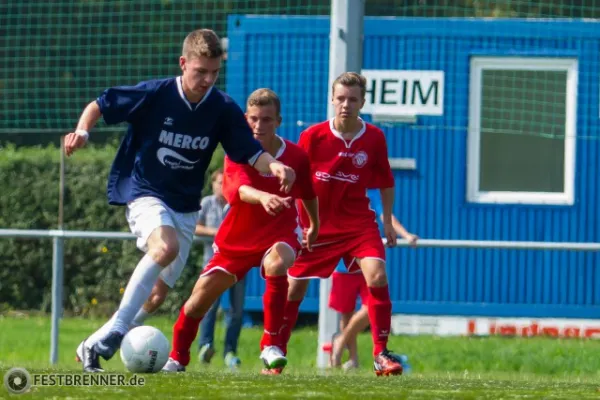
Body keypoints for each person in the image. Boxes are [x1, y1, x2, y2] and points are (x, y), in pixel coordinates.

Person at [65, 30, 296, 373]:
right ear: (183, 63)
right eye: (200, 71)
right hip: (145, 192)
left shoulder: (222, 108)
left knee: (157, 296)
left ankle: (91, 345)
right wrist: (83, 130)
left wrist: (274, 164)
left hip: (185, 207)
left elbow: (250, 153)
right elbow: (100, 104)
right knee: (165, 247)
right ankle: (115, 330)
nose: (207, 79)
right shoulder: (156, 93)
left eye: (214, 73)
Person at [162, 88, 319, 374]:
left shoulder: (296, 156)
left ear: (279, 121)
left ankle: (271, 344)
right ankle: (177, 357)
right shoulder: (238, 151)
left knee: (277, 263)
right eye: (255, 119)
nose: (260, 126)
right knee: (199, 301)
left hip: (280, 230)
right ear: (246, 119)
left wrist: (314, 226)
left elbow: (308, 193)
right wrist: (263, 197)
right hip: (238, 237)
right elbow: (235, 190)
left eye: (267, 120)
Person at [279, 71, 404, 377]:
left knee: (376, 276)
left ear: (363, 102)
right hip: (316, 226)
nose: (345, 104)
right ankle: (276, 351)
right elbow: (297, 180)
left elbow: (386, 181)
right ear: (331, 100)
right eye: (340, 98)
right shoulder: (313, 136)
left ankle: (381, 355)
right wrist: (295, 218)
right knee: (294, 288)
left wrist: (387, 222)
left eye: (352, 99)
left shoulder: (374, 137)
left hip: (358, 224)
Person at [326, 188, 418, 370]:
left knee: (370, 307)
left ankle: (340, 342)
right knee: (347, 313)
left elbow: (386, 216)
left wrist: (405, 234)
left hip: (366, 262)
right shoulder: (340, 184)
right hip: (343, 264)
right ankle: (353, 359)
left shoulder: (372, 191)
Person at [195, 169, 247, 369]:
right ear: (213, 184)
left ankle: (230, 352)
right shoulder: (207, 203)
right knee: (209, 307)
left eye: (224, 182)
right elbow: (196, 227)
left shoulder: (238, 202)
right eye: (218, 182)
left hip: (238, 264)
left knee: (236, 311)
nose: (221, 186)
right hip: (212, 264)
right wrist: (219, 232)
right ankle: (205, 346)